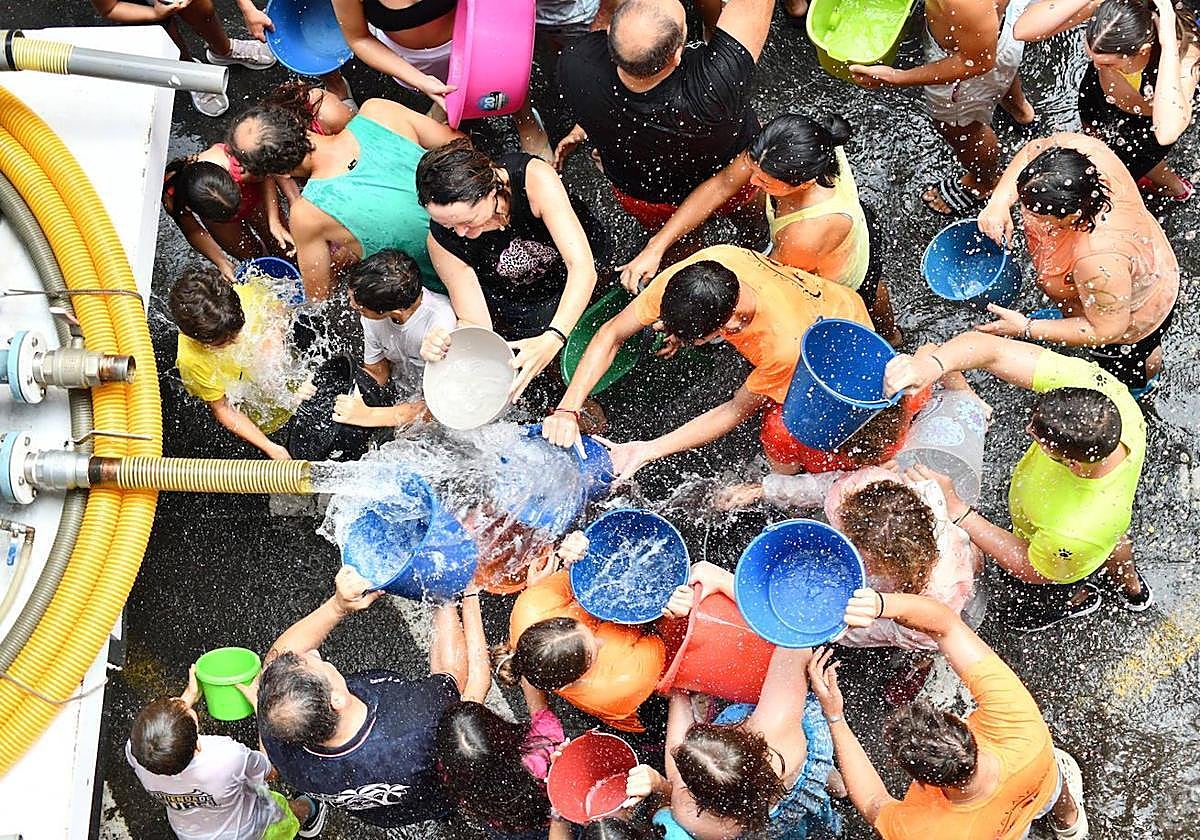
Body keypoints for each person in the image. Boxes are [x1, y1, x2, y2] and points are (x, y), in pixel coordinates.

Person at [885, 331, 1151, 631]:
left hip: (1062, 560)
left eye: (1040, 441)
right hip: (1099, 536)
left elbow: (1030, 567)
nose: (1027, 429)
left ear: (1073, 465)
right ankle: (1132, 589)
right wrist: (933, 364)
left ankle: (1077, 600)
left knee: (1044, 597)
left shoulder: (1076, 530)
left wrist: (959, 510)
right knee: (1113, 542)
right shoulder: (1104, 399)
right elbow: (994, 351)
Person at [541, 245, 872, 481]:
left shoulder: (782, 348)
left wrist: (648, 450)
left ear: (720, 330)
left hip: (840, 347)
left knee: (782, 429)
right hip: (798, 307)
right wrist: (568, 408)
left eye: (689, 337)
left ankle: (789, 478)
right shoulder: (705, 271)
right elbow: (612, 333)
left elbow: (735, 409)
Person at [808, 589, 1089, 839]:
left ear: (923, 781)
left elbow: (873, 803)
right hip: (1034, 783)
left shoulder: (922, 832)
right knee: (1053, 778)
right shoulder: (1020, 726)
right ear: (963, 729)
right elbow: (947, 626)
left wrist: (835, 716)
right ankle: (1069, 823)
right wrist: (882, 604)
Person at [619, 112, 899, 343]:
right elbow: (723, 184)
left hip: (836, 271)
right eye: (752, 171)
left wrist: (695, 320)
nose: (752, 183)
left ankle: (892, 339)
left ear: (803, 184)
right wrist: (657, 245)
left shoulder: (804, 235)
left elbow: (768, 283)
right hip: (850, 228)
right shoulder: (787, 148)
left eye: (765, 183)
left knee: (866, 294)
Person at [252, 566, 491, 829]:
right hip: (437, 794)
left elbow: (278, 660)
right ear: (337, 700)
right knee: (446, 792)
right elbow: (453, 672)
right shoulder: (420, 721)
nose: (314, 654)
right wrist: (444, 595)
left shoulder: (280, 730)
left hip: (382, 814)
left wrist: (337, 607)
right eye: (314, 661)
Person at [976, 132, 1179, 393]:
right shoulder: (1079, 154)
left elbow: (1107, 330)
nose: (1025, 212)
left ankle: (1136, 386)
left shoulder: (1097, 260)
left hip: (1134, 314)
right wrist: (999, 201)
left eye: (1035, 212)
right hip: (1134, 266)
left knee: (1130, 358)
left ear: (1073, 215)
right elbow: (1032, 150)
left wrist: (1027, 328)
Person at [555, 0, 773, 227]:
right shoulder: (715, 85)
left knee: (682, 252)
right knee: (751, 220)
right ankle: (758, 243)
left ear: (610, 33)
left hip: (645, 197)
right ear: (678, 54)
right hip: (732, 178)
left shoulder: (575, 62)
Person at [414, 139, 600, 401]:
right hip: (524, 302)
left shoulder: (533, 178)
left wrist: (555, 336)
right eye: (447, 225)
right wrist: (446, 341)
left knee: (598, 314)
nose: (460, 233)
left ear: (490, 192)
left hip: (582, 263)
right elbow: (476, 322)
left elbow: (581, 267)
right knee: (545, 361)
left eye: (466, 221)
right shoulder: (441, 241)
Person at [226, 98, 461, 301]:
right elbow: (460, 144)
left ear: (281, 173)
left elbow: (319, 295)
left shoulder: (308, 214)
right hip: (486, 220)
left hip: (452, 288)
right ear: (299, 122)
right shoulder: (378, 111)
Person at [169, 267, 386, 461]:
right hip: (271, 418)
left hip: (302, 381)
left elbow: (279, 315)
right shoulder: (192, 361)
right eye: (224, 342)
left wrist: (275, 353)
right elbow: (223, 407)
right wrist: (269, 446)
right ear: (200, 340)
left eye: (238, 332)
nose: (237, 340)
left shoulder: (244, 297)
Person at [850, 0, 1037, 215]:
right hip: (996, 30)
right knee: (997, 64)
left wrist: (897, 77)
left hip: (965, 63)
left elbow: (978, 62)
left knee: (959, 127)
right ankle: (1020, 110)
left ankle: (985, 181)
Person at [497, 531, 693, 732]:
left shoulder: (531, 607)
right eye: (593, 653)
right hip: (632, 705)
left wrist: (572, 553)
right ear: (570, 682)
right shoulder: (622, 683)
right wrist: (676, 610)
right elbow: (664, 639)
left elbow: (572, 574)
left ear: (558, 620)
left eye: (585, 630)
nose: (600, 642)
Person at [650, 644, 842, 839]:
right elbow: (794, 646)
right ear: (745, 740)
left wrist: (678, 691)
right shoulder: (775, 732)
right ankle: (834, 785)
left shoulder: (693, 818)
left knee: (796, 830)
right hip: (804, 779)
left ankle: (825, 828)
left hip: (771, 824)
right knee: (816, 801)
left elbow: (675, 772)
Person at [1016, 0, 1200, 199]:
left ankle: (1176, 188)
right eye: (1091, 57)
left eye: (1108, 63)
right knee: (1099, 151)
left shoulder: (1183, 54)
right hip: (1097, 97)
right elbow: (1023, 30)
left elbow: (1166, 132)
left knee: (1125, 167)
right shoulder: (1115, 18)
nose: (1096, 66)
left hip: (1145, 128)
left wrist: (1168, 43)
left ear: (1143, 50)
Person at [331, 0, 551, 158]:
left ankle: (527, 123)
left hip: (475, 36)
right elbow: (358, 38)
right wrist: (420, 80)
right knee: (444, 91)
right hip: (408, 59)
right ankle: (445, 108)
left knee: (505, 81)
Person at [127, 666, 324, 839]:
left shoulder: (138, 751)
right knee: (284, 813)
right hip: (249, 830)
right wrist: (260, 710)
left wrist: (187, 696)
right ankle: (309, 812)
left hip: (190, 833)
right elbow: (270, 770)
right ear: (197, 746)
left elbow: (160, 739)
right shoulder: (225, 757)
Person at [330, 249, 456, 429]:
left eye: (360, 309)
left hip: (439, 411)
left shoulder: (441, 324)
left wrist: (370, 415)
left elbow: (446, 404)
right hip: (401, 398)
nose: (351, 306)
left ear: (394, 312)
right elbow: (377, 373)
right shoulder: (372, 317)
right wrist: (329, 388)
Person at [435, 675, 571, 837]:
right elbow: (539, 708)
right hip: (551, 814)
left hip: (505, 825)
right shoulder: (543, 749)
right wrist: (526, 671)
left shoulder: (457, 777)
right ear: (499, 729)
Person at [90, 0, 275, 116]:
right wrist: (154, 13)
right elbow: (110, 8)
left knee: (202, 9)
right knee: (163, 31)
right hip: (136, 5)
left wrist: (247, 7)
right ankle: (187, 70)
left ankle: (223, 50)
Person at [162, 156, 274, 283]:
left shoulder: (237, 162)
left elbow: (268, 174)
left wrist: (274, 219)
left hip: (247, 191)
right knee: (252, 259)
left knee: (278, 242)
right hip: (220, 216)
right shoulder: (173, 197)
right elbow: (192, 231)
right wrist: (221, 262)